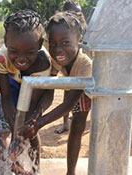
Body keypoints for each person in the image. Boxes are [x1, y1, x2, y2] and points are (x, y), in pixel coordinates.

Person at [21, 11, 91, 175]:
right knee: (73, 118)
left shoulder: (85, 64)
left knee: (78, 124)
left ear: (79, 39)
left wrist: (40, 123)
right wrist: (38, 113)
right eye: (53, 44)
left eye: (65, 42)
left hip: (88, 86)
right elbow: (49, 89)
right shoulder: (58, 59)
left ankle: (71, 172)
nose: (58, 49)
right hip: (72, 82)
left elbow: (69, 104)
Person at [0, 9, 54, 173]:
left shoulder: (43, 62)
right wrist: (15, 132)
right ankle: (14, 168)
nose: (21, 58)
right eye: (14, 51)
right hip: (13, 84)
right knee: (13, 127)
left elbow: (35, 103)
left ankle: (35, 169)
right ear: (6, 41)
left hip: (36, 89)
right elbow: (6, 98)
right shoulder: (1, 58)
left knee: (30, 129)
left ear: (40, 44)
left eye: (29, 52)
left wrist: (28, 126)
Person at [54, 0, 84, 134]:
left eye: (79, 13)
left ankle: (78, 122)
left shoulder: (83, 29)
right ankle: (66, 123)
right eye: (72, 13)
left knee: (81, 98)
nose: (76, 16)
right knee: (67, 93)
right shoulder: (61, 28)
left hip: (81, 68)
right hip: (67, 67)